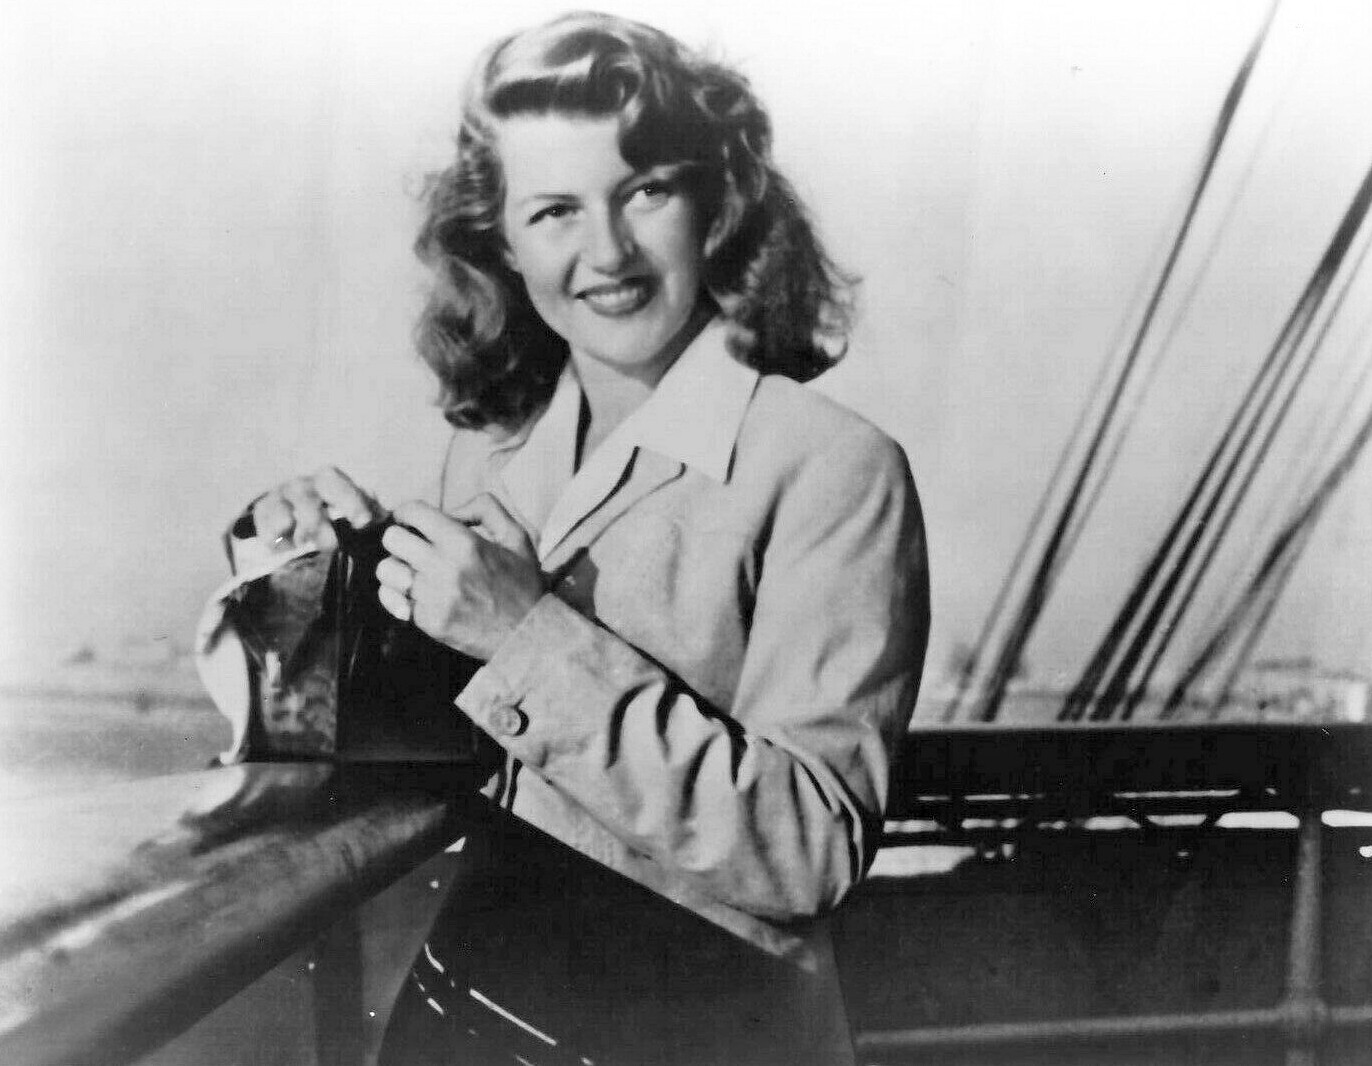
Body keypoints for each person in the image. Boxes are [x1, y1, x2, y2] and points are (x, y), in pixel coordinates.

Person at [203, 11, 929, 1064]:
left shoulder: (834, 466)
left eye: (646, 191)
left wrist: (522, 633)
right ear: (502, 244)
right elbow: (430, 748)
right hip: (463, 1009)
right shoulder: (495, 455)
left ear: (717, 204)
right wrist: (318, 575)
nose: (608, 252)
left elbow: (808, 848)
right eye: (554, 211)